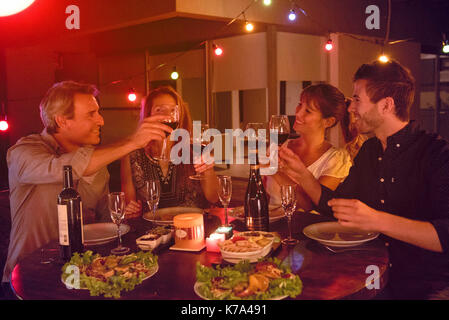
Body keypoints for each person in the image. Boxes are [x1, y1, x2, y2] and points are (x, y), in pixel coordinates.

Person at [279, 60, 449, 299]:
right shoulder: (369, 151)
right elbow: (336, 206)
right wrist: (302, 174)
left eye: (357, 99)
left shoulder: (436, 152)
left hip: (423, 288)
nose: (350, 108)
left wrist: (376, 220)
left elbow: (446, 235)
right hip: (370, 277)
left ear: (386, 105)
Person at [2, 81, 172, 283]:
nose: (101, 121)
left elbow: (104, 218)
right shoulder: (24, 152)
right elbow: (63, 168)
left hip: (80, 274)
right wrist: (132, 142)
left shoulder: (98, 163)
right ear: (63, 121)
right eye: (91, 114)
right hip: (28, 278)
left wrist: (121, 213)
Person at [121, 86, 218, 217]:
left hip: (193, 227)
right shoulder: (131, 154)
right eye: (159, 110)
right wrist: (132, 210)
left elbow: (214, 198)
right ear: (148, 114)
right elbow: (130, 205)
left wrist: (208, 171)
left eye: (173, 110)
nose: (167, 115)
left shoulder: (195, 149)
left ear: (180, 115)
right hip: (152, 232)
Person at [264, 84, 352, 211]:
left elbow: (311, 206)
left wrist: (276, 173)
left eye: (308, 111)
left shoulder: (337, 159)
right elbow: (266, 196)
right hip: (271, 225)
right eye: (300, 104)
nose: (298, 113)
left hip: (305, 227)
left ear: (328, 122)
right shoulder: (281, 146)